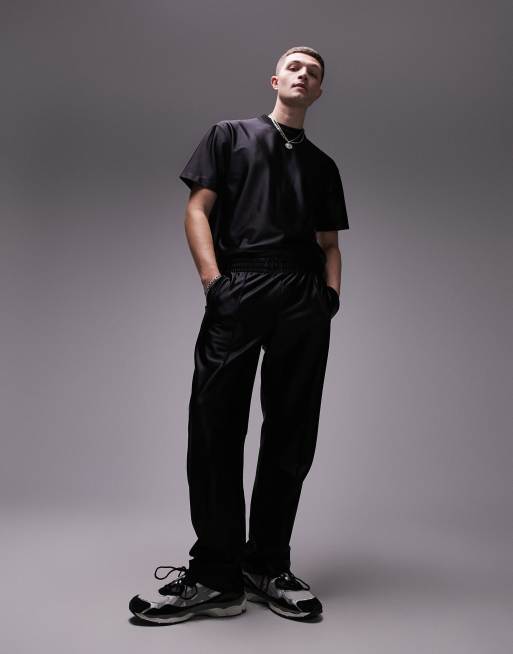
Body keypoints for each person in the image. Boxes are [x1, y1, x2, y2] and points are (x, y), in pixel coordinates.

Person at [129, 45, 349, 625]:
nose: (304, 75)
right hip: (240, 285)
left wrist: (328, 298)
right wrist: (214, 282)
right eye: (295, 67)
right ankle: (215, 575)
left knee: (292, 430)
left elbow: (329, 244)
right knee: (214, 424)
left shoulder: (323, 165)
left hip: (303, 295)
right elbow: (197, 210)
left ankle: (266, 565)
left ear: (319, 91)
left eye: (314, 73)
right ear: (275, 79)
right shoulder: (228, 136)